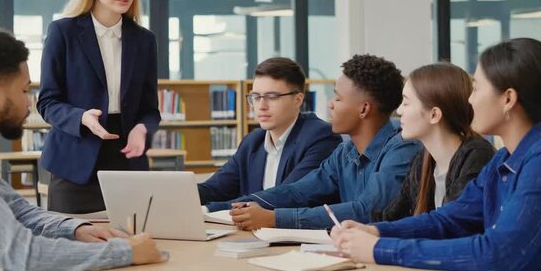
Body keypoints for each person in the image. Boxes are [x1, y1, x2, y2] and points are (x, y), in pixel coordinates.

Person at [332, 38, 541, 271]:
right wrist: (376, 232)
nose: (470, 101)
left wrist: (379, 250)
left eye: (476, 89)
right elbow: (451, 219)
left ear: (508, 99)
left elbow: (497, 252)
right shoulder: (503, 159)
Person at [0, 28, 162, 271]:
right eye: (25, 90)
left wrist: (76, 229)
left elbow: (17, 209)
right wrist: (126, 252)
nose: (30, 103)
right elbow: (22, 254)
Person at [205, 54, 421, 230]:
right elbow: (296, 192)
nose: (330, 104)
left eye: (337, 98)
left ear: (363, 109)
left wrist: (274, 218)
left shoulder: (402, 148)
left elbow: (367, 211)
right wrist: (221, 209)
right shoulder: (345, 152)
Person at [37, 0, 160, 214]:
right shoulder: (63, 32)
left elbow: (149, 109)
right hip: (75, 161)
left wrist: (143, 129)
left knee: (132, 249)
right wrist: (81, 117)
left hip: (127, 161)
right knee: (72, 249)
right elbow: (47, 102)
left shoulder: (144, 41)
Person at [198, 57, 341, 204]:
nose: (261, 106)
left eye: (271, 97)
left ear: (298, 100)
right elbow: (214, 189)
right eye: (256, 97)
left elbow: (285, 198)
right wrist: (180, 192)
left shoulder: (320, 136)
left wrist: (210, 209)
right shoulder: (253, 141)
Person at [372, 63, 494, 222]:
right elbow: (392, 217)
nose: (399, 110)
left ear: (434, 115)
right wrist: (364, 230)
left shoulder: (477, 155)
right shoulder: (422, 161)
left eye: (406, 103)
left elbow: (451, 224)